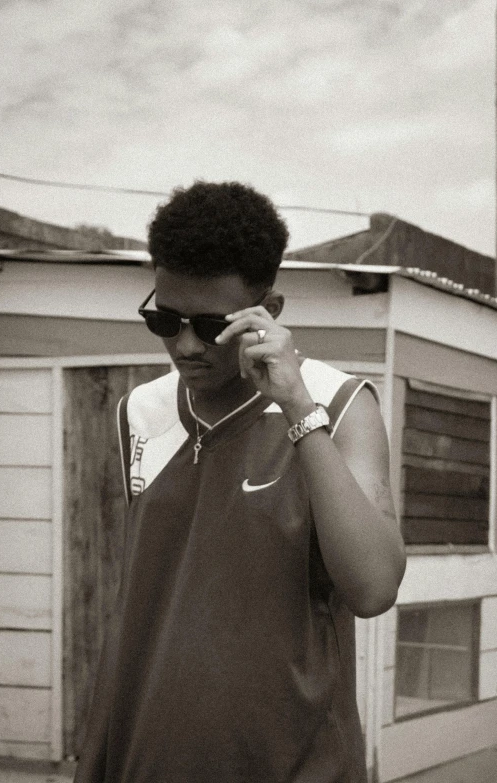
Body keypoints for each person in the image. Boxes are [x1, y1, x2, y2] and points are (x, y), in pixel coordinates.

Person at [74, 181, 406, 783]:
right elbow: (140, 609)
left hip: (295, 764)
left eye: (209, 326)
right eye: (164, 319)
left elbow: (374, 587)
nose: (184, 345)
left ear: (267, 312)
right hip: (148, 759)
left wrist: (297, 408)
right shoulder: (139, 412)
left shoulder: (339, 404)